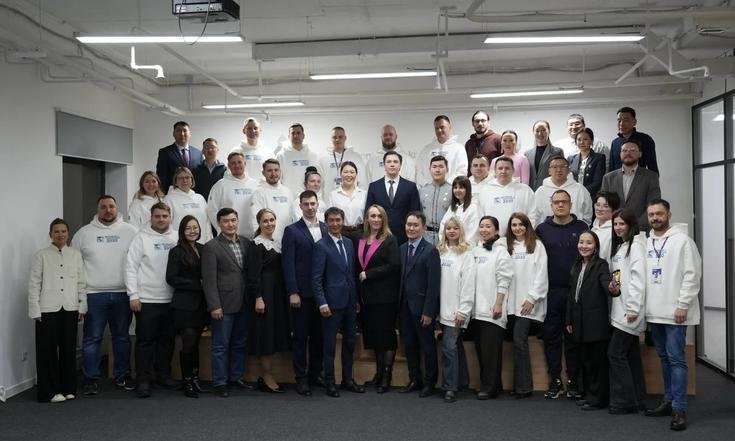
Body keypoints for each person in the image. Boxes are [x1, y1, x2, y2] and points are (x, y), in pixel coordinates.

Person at [643, 199, 701, 431]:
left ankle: (679, 408)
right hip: (654, 312)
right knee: (664, 358)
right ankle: (668, 400)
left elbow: (692, 274)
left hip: (676, 312)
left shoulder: (683, 241)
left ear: (669, 214)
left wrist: (683, 304)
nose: (655, 218)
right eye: (651, 215)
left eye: (659, 213)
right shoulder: (646, 242)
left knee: (676, 359)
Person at [72, 195, 137, 395]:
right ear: (97, 209)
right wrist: (79, 297)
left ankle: (122, 375)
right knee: (92, 338)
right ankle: (90, 379)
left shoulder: (131, 231)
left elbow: (137, 263)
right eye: (103, 207)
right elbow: (74, 267)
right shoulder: (83, 234)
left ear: (117, 208)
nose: (108, 210)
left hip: (122, 294)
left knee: (122, 338)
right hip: (93, 295)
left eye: (111, 206)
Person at [201, 207, 262, 397]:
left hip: (244, 302)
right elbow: (209, 280)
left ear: (237, 221)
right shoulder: (211, 247)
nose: (230, 224)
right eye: (226, 221)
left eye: (233, 220)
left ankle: (236, 378)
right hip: (223, 304)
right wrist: (214, 306)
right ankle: (220, 382)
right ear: (219, 223)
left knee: (239, 343)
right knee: (220, 346)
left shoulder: (246, 242)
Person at [535, 189, 588, 400]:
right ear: (551, 205)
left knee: (574, 338)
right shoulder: (542, 229)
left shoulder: (582, 227)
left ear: (570, 205)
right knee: (552, 337)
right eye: (556, 202)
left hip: (575, 291)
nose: (560, 205)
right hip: (551, 291)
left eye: (564, 202)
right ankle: (555, 380)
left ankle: (574, 381)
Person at [28, 218, 87, 403]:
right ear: (50, 234)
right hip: (47, 309)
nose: (60, 234)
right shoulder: (41, 255)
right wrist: (35, 309)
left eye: (63, 231)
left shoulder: (75, 255)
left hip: (70, 307)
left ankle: (68, 388)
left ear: (68, 233)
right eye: (56, 231)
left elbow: (81, 282)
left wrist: (82, 305)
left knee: (69, 349)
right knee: (47, 351)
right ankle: (49, 392)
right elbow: (34, 284)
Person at [124, 202, 179, 398]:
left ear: (170, 217)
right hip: (146, 300)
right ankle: (143, 380)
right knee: (145, 342)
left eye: (165, 216)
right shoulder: (141, 238)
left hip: (171, 300)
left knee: (167, 341)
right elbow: (130, 267)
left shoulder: (176, 237)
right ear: (151, 217)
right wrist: (133, 295)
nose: (161, 219)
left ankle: (163, 375)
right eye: (157, 216)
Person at [312, 207, 365, 397]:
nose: (335, 224)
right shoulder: (320, 246)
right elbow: (316, 278)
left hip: (349, 302)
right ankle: (330, 382)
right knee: (329, 346)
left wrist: (356, 299)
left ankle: (347, 380)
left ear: (343, 222)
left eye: (338, 220)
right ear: (326, 223)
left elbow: (351, 274)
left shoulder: (349, 243)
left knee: (350, 343)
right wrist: (322, 303)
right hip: (331, 304)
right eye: (331, 221)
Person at [282, 190, 329, 396]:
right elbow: (288, 264)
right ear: (300, 206)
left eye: (313, 203)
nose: (310, 207)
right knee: (301, 338)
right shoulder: (291, 231)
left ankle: (315, 374)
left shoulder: (326, 228)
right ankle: (301, 378)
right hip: (301, 294)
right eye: (306, 204)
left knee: (319, 337)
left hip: (323, 294)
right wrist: (293, 291)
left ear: (318, 205)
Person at [566, 230, 612, 410]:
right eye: (581, 242)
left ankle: (599, 399)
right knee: (585, 361)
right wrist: (569, 320)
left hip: (595, 322)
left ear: (596, 247)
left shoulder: (601, 265)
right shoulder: (577, 265)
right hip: (578, 322)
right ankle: (589, 395)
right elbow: (571, 295)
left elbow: (606, 282)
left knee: (597, 363)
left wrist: (612, 288)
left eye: (589, 243)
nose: (584, 246)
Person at [607, 208, 647, 415]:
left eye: (622, 224)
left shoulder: (636, 247)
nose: (618, 227)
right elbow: (621, 277)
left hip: (630, 311)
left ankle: (625, 401)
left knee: (615, 354)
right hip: (620, 307)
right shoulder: (621, 247)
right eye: (615, 224)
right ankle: (639, 399)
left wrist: (632, 308)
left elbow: (639, 280)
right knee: (631, 356)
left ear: (631, 225)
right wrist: (614, 288)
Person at [357, 205, 401, 393]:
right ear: (367, 218)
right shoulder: (361, 239)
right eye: (372, 216)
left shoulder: (390, 240)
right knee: (375, 337)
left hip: (385, 297)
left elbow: (394, 265)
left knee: (386, 337)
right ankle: (378, 373)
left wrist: (369, 274)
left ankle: (386, 376)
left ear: (384, 219)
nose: (375, 219)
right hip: (367, 298)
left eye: (379, 216)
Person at [165, 215, 208, 398]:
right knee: (188, 344)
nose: (192, 231)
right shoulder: (176, 251)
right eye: (188, 228)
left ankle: (195, 379)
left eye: (195, 227)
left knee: (196, 343)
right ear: (182, 231)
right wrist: (197, 284)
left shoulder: (203, 249)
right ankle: (187, 381)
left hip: (201, 306)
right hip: (184, 306)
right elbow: (171, 278)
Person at [398, 212, 441, 398]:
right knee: (410, 346)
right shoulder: (401, 249)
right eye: (409, 224)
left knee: (427, 347)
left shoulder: (431, 251)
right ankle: (415, 379)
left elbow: (433, 285)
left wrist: (429, 311)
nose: (411, 228)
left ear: (423, 228)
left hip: (422, 309)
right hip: (405, 307)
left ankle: (430, 383)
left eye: (415, 225)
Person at [506, 212, 548, 398]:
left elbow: (541, 275)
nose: (517, 228)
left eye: (521, 224)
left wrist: (532, 298)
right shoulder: (506, 246)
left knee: (519, 341)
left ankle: (524, 387)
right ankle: (518, 385)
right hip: (510, 304)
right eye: (514, 225)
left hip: (528, 304)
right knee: (515, 343)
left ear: (527, 226)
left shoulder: (536, 245)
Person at [471, 216, 513, 399]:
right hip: (476, 310)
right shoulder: (475, 251)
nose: (484, 229)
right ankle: (492, 385)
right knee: (481, 350)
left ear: (496, 231)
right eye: (481, 226)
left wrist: (498, 303)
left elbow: (505, 279)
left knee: (490, 352)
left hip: (492, 309)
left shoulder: (501, 251)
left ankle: (489, 387)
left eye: (488, 226)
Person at [250, 208, 291, 394]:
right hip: (264, 296)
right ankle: (266, 377)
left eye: (272, 220)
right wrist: (258, 298)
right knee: (265, 336)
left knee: (274, 334)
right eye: (265, 221)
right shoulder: (256, 245)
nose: (269, 224)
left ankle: (270, 374)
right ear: (259, 224)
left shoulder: (276, 243)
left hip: (277, 296)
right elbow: (253, 275)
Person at [437, 216, 476, 403]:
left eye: (455, 228)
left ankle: (450, 387)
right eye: (448, 228)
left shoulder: (466, 254)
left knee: (448, 347)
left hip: (457, 310)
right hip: (441, 308)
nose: (451, 231)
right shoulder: (440, 251)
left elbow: (468, 284)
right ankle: (462, 381)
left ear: (461, 231)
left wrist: (463, 310)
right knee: (455, 346)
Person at [601, 139, 661, 229]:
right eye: (624, 150)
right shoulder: (608, 178)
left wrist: (635, 227)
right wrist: (616, 225)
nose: (628, 153)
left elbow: (653, 205)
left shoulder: (651, 177)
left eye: (632, 150)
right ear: (620, 154)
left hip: (641, 230)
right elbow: (604, 206)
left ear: (640, 154)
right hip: (614, 229)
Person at [365, 151, 421, 244]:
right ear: (384, 165)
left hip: (404, 236)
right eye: (389, 162)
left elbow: (415, 212)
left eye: (395, 162)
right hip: (379, 236)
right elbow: (368, 212)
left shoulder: (410, 187)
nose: (392, 164)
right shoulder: (374, 186)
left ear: (400, 165)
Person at [478, 156, 536, 236]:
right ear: (495, 171)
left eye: (507, 168)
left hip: (519, 238)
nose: (503, 171)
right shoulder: (485, 191)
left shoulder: (525, 190)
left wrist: (527, 234)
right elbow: (480, 215)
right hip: (492, 238)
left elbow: (533, 214)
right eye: (500, 168)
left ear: (513, 170)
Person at [207, 151, 260, 238]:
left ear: (245, 164)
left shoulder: (256, 185)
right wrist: (222, 229)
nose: (237, 165)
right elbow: (212, 210)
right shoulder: (220, 185)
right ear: (228, 165)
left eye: (239, 162)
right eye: (233, 163)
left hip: (253, 236)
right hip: (229, 236)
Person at [533, 155, 593, 226]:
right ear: (549, 171)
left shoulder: (580, 189)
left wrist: (581, 228)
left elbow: (588, 213)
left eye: (562, 166)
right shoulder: (540, 191)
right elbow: (535, 215)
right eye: (555, 167)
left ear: (568, 170)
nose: (559, 170)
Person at [250, 159, 295, 242]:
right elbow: (255, 221)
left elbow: (293, 217)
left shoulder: (288, 192)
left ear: (280, 172)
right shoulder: (259, 193)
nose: (273, 174)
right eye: (269, 171)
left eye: (276, 170)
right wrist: (262, 241)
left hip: (288, 240)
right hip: (268, 242)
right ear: (263, 173)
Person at [416, 115, 468, 187]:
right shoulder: (426, 149)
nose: (439, 130)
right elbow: (418, 172)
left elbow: (462, 171)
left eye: (442, 127)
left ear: (449, 127)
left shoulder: (459, 148)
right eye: (436, 128)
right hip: (429, 190)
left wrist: (447, 185)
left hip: (451, 189)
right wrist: (428, 186)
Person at [164, 167, 212, 244]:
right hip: (179, 244)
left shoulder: (200, 198)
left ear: (192, 180)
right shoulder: (169, 199)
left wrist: (208, 241)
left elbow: (207, 222)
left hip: (202, 243)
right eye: (180, 178)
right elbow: (167, 224)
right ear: (175, 182)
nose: (184, 180)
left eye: (187, 177)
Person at [156, 121, 203, 192]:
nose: (182, 134)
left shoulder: (198, 153)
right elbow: (161, 176)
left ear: (190, 134)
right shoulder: (165, 152)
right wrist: (163, 194)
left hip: (194, 194)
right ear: (173, 134)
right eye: (178, 131)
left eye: (185, 130)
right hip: (173, 193)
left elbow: (201, 176)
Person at [609, 107, 658, 173]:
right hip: (618, 179)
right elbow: (611, 169)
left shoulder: (646, 140)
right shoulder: (615, 143)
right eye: (619, 120)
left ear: (634, 122)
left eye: (626, 120)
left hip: (639, 179)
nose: (621, 124)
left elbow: (653, 169)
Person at [278, 123, 321, 196]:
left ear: (303, 135)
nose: (295, 136)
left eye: (298, 133)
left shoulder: (313, 156)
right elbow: (278, 179)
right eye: (293, 133)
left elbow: (318, 179)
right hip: (288, 196)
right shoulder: (281, 156)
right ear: (289, 136)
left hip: (308, 198)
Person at [318, 126, 366, 191]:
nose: (337, 140)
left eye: (340, 137)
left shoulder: (355, 157)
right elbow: (319, 181)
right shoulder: (323, 158)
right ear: (331, 139)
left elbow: (362, 181)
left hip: (350, 196)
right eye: (334, 137)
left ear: (345, 138)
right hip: (329, 196)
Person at [329, 161, 367, 242]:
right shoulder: (333, 195)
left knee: (360, 251)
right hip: (340, 232)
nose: (349, 175)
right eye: (345, 172)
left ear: (356, 174)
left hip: (360, 233)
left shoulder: (364, 194)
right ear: (340, 174)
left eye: (352, 172)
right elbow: (330, 217)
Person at [419, 155, 452, 245]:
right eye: (434, 167)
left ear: (447, 169)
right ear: (429, 169)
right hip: (425, 236)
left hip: (446, 237)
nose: (437, 170)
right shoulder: (422, 190)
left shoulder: (452, 190)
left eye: (441, 166)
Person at [525, 120, 563, 191]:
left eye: (543, 130)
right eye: (537, 131)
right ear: (533, 132)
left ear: (549, 131)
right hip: (531, 191)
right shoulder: (527, 154)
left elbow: (561, 173)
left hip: (550, 190)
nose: (540, 133)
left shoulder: (557, 152)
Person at [439, 176, 479, 244]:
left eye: (461, 187)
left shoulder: (473, 208)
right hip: (449, 247)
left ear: (467, 189)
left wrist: (461, 246)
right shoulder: (452, 208)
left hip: (465, 248)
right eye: (455, 187)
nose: (458, 190)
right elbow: (443, 226)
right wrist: (445, 244)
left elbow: (473, 233)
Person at [568, 128, 606, 199]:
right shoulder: (571, 158)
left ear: (591, 141)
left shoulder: (599, 158)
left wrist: (581, 192)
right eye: (579, 139)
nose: (582, 142)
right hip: (573, 196)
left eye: (585, 139)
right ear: (576, 142)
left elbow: (597, 182)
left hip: (590, 196)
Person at [464, 110, 502, 175]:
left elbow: (505, 162)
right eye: (477, 121)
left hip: (492, 180)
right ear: (473, 124)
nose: (480, 123)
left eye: (483, 120)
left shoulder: (498, 140)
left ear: (488, 123)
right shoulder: (469, 143)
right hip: (473, 180)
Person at [591, 191, 621, 263]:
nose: (599, 209)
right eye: (598, 205)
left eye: (605, 206)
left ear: (614, 210)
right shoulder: (593, 228)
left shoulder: (615, 231)